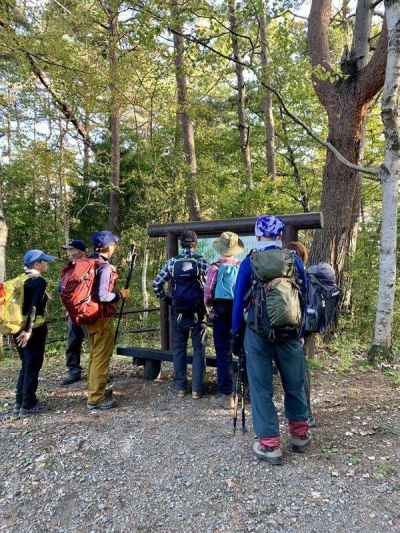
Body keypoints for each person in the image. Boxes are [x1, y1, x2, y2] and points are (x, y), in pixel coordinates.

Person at [232, 215, 310, 465]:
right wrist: (301, 330)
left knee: (261, 387)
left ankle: (269, 444)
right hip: (290, 332)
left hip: (257, 333)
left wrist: (235, 333)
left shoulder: (249, 262)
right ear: (280, 236)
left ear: (257, 236)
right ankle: (299, 435)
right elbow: (305, 294)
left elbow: (237, 301)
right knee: (294, 383)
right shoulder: (294, 260)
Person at [153, 230, 209, 399]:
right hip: (198, 312)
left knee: (179, 349)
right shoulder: (200, 261)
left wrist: (166, 299)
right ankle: (197, 390)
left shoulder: (172, 262)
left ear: (181, 244)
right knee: (199, 349)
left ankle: (180, 388)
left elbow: (156, 283)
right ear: (195, 243)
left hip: (178, 311)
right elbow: (209, 286)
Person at [86, 231, 129, 412]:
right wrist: (120, 294)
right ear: (108, 246)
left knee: (95, 356)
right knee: (101, 358)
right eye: (113, 244)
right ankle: (96, 399)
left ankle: (94, 391)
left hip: (90, 317)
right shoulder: (104, 267)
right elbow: (103, 295)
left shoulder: (89, 263)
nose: (114, 247)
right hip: (102, 318)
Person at [204, 231, 244, 407]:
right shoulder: (241, 266)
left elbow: (208, 291)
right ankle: (245, 388)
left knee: (222, 351)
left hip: (220, 310)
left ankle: (226, 391)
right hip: (239, 310)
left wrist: (209, 306)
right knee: (243, 349)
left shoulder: (214, 267)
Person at [14, 249, 56, 417]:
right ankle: (28, 405)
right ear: (37, 264)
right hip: (33, 329)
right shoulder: (38, 281)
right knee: (33, 365)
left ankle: (20, 402)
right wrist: (29, 330)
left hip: (16, 326)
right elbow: (34, 307)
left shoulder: (20, 279)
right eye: (44, 261)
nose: (47, 264)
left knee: (26, 364)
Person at [60, 240, 87, 386]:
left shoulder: (91, 265)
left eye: (72, 249)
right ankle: (73, 370)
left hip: (88, 310)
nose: (69, 253)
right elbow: (63, 289)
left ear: (82, 251)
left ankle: (100, 371)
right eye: (67, 250)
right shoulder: (68, 269)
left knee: (95, 342)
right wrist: (66, 308)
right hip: (72, 312)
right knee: (73, 341)